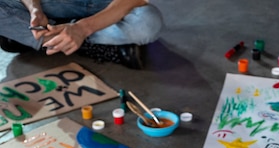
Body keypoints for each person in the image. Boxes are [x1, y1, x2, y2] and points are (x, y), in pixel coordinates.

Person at [0, 0, 164, 69]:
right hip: (54, 3)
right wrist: (34, 9)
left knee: (147, 24)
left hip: (107, 5)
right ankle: (67, 39)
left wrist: (82, 28)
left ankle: (55, 38)